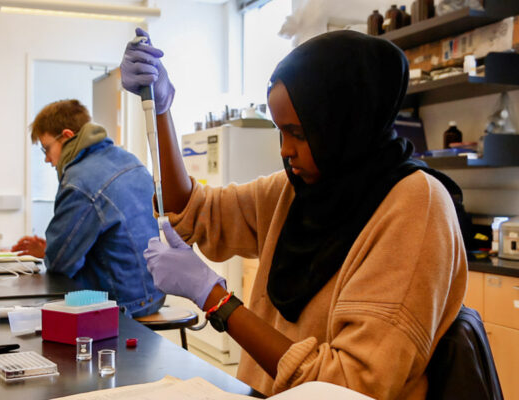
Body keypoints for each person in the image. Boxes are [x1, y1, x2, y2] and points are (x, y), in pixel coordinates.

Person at [121, 29, 467, 398]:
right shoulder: (301, 189)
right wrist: (160, 110)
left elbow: (349, 386)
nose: (285, 150)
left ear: (343, 123)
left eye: (298, 133)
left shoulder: (416, 206)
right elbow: (190, 210)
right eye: (280, 131)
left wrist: (215, 298)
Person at [11, 99, 165, 317]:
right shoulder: (128, 160)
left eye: (46, 149)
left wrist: (51, 253)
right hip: (155, 292)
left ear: (66, 136)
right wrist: (53, 249)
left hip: (123, 303)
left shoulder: (79, 181)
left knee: (33, 309)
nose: (47, 159)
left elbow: (59, 264)